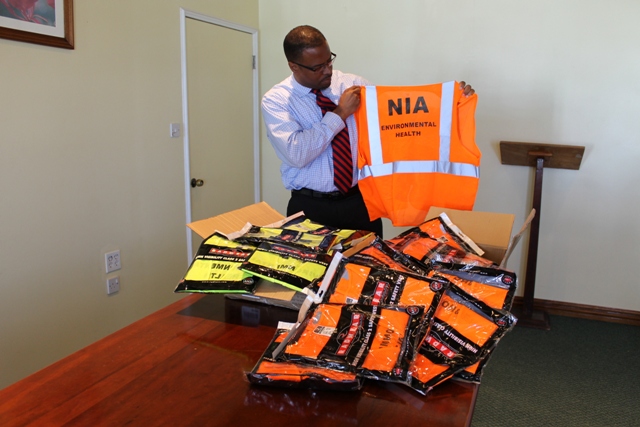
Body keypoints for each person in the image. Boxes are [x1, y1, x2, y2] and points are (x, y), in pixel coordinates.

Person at [261, 25, 474, 237]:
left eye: (329, 61)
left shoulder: (354, 84)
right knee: (313, 270)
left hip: (360, 203)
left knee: (368, 267)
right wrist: (340, 113)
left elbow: (401, 116)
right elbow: (297, 154)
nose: (328, 70)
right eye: (318, 67)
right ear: (293, 66)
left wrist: (450, 103)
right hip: (310, 207)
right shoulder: (276, 100)